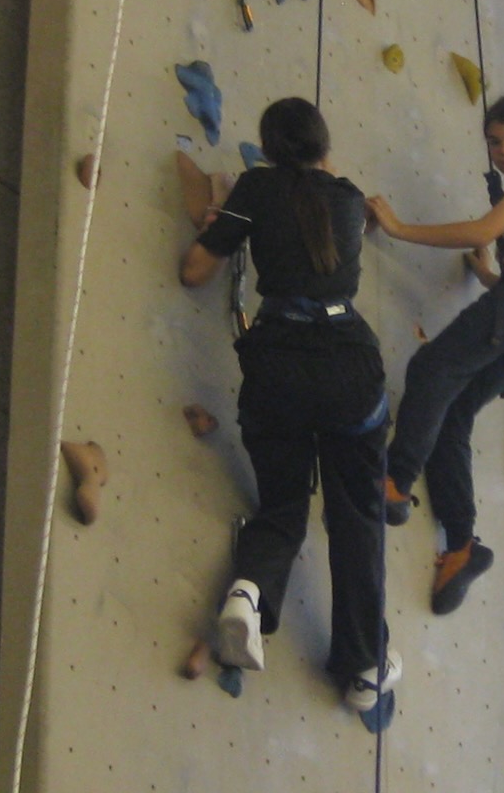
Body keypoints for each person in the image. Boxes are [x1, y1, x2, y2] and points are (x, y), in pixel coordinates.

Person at [179, 96, 400, 711]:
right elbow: (331, 207)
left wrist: (219, 217)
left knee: (281, 506)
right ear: (325, 145)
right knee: (357, 517)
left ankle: (249, 594)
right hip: (349, 369)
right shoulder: (349, 200)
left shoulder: (255, 190)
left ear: (271, 148)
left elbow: (195, 270)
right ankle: (363, 666)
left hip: (276, 366)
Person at [366, 93, 504, 616]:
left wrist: (398, 229)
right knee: (453, 414)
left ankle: (395, 480)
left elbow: (484, 229)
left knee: (432, 367)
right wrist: (489, 274)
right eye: (494, 142)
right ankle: (462, 544)